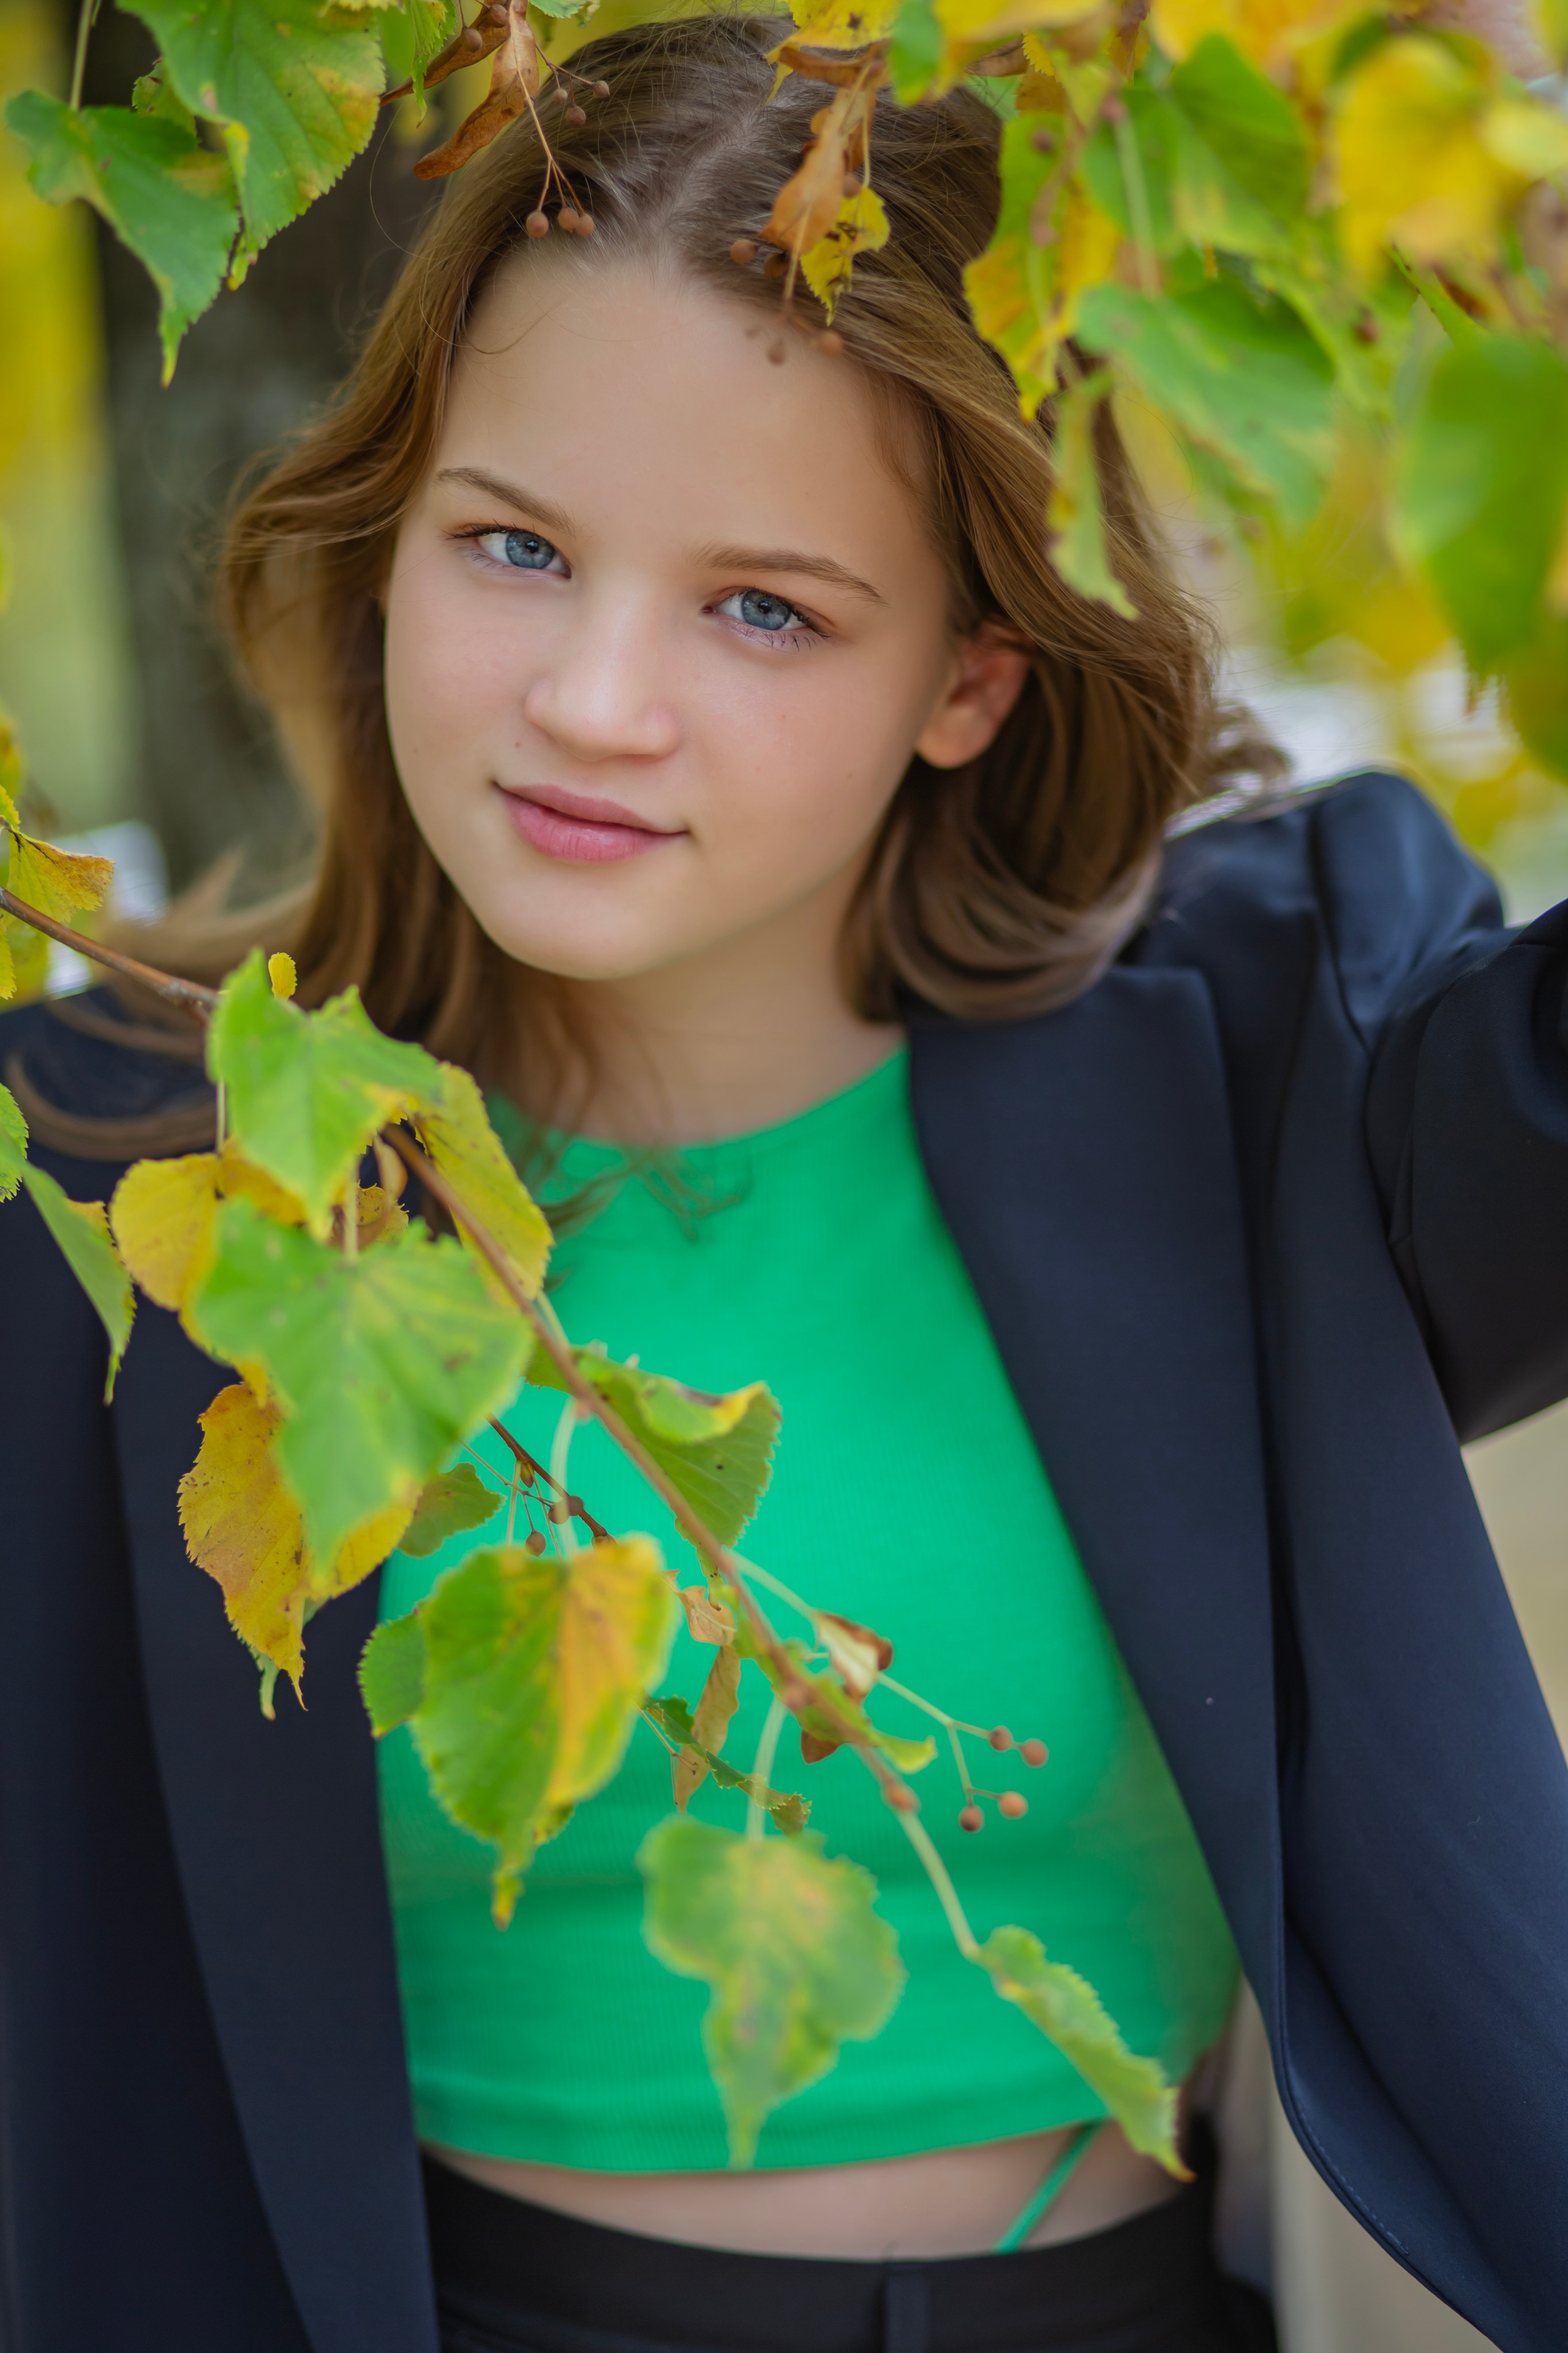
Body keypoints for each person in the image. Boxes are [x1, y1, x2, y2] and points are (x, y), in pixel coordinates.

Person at [2, 16, 1566, 2352]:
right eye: (514, 545)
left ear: (974, 673)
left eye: (764, 608)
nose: (594, 703)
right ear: (391, 526)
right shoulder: (123, 1159)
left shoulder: (1268, 1046)